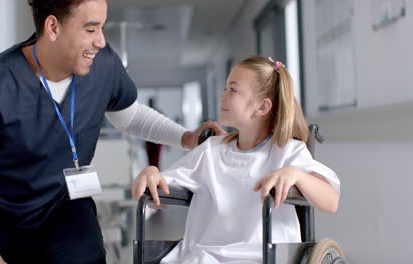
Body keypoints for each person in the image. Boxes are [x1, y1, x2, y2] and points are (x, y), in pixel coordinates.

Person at [0, 0, 225, 263]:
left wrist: (186, 137)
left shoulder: (103, 65)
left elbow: (130, 116)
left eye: (101, 28)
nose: (101, 41)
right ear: (53, 27)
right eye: (91, 29)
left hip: (65, 210)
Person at [131, 55, 340, 264]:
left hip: (264, 257)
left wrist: (297, 175)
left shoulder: (288, 152)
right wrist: (151, 172)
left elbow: (331, 202)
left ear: (262, 107)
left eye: (233, 90)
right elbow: (162, 183)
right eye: (225, 88)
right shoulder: (211, 151)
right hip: (205, 256)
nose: (222, 96)